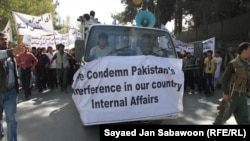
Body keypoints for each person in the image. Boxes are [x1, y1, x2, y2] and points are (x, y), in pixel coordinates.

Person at [213, 42, 250, 125]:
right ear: (244, 50)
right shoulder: (233, 63)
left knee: (244, 119)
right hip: (231, 95)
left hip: (242, 97)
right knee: (221, 117)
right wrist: (226, 93)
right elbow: (224, 79)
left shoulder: (246, 64)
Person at [0, 32, 25, 141]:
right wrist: (12, 51)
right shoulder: (8, 53)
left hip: (11, 92)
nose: (4, 41)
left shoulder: (11, 56)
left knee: (11, 119)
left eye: (5, 39)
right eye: (1, 39)